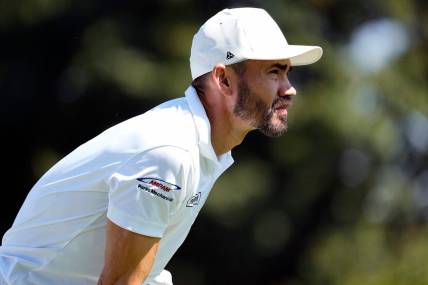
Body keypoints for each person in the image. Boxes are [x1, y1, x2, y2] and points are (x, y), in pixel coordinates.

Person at [0, 7, 322, 285]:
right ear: (223, 80)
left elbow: (145, 273)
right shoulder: (169, 152)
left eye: (288, 73)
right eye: (274, 72)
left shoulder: (200, 147)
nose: (289, 89)